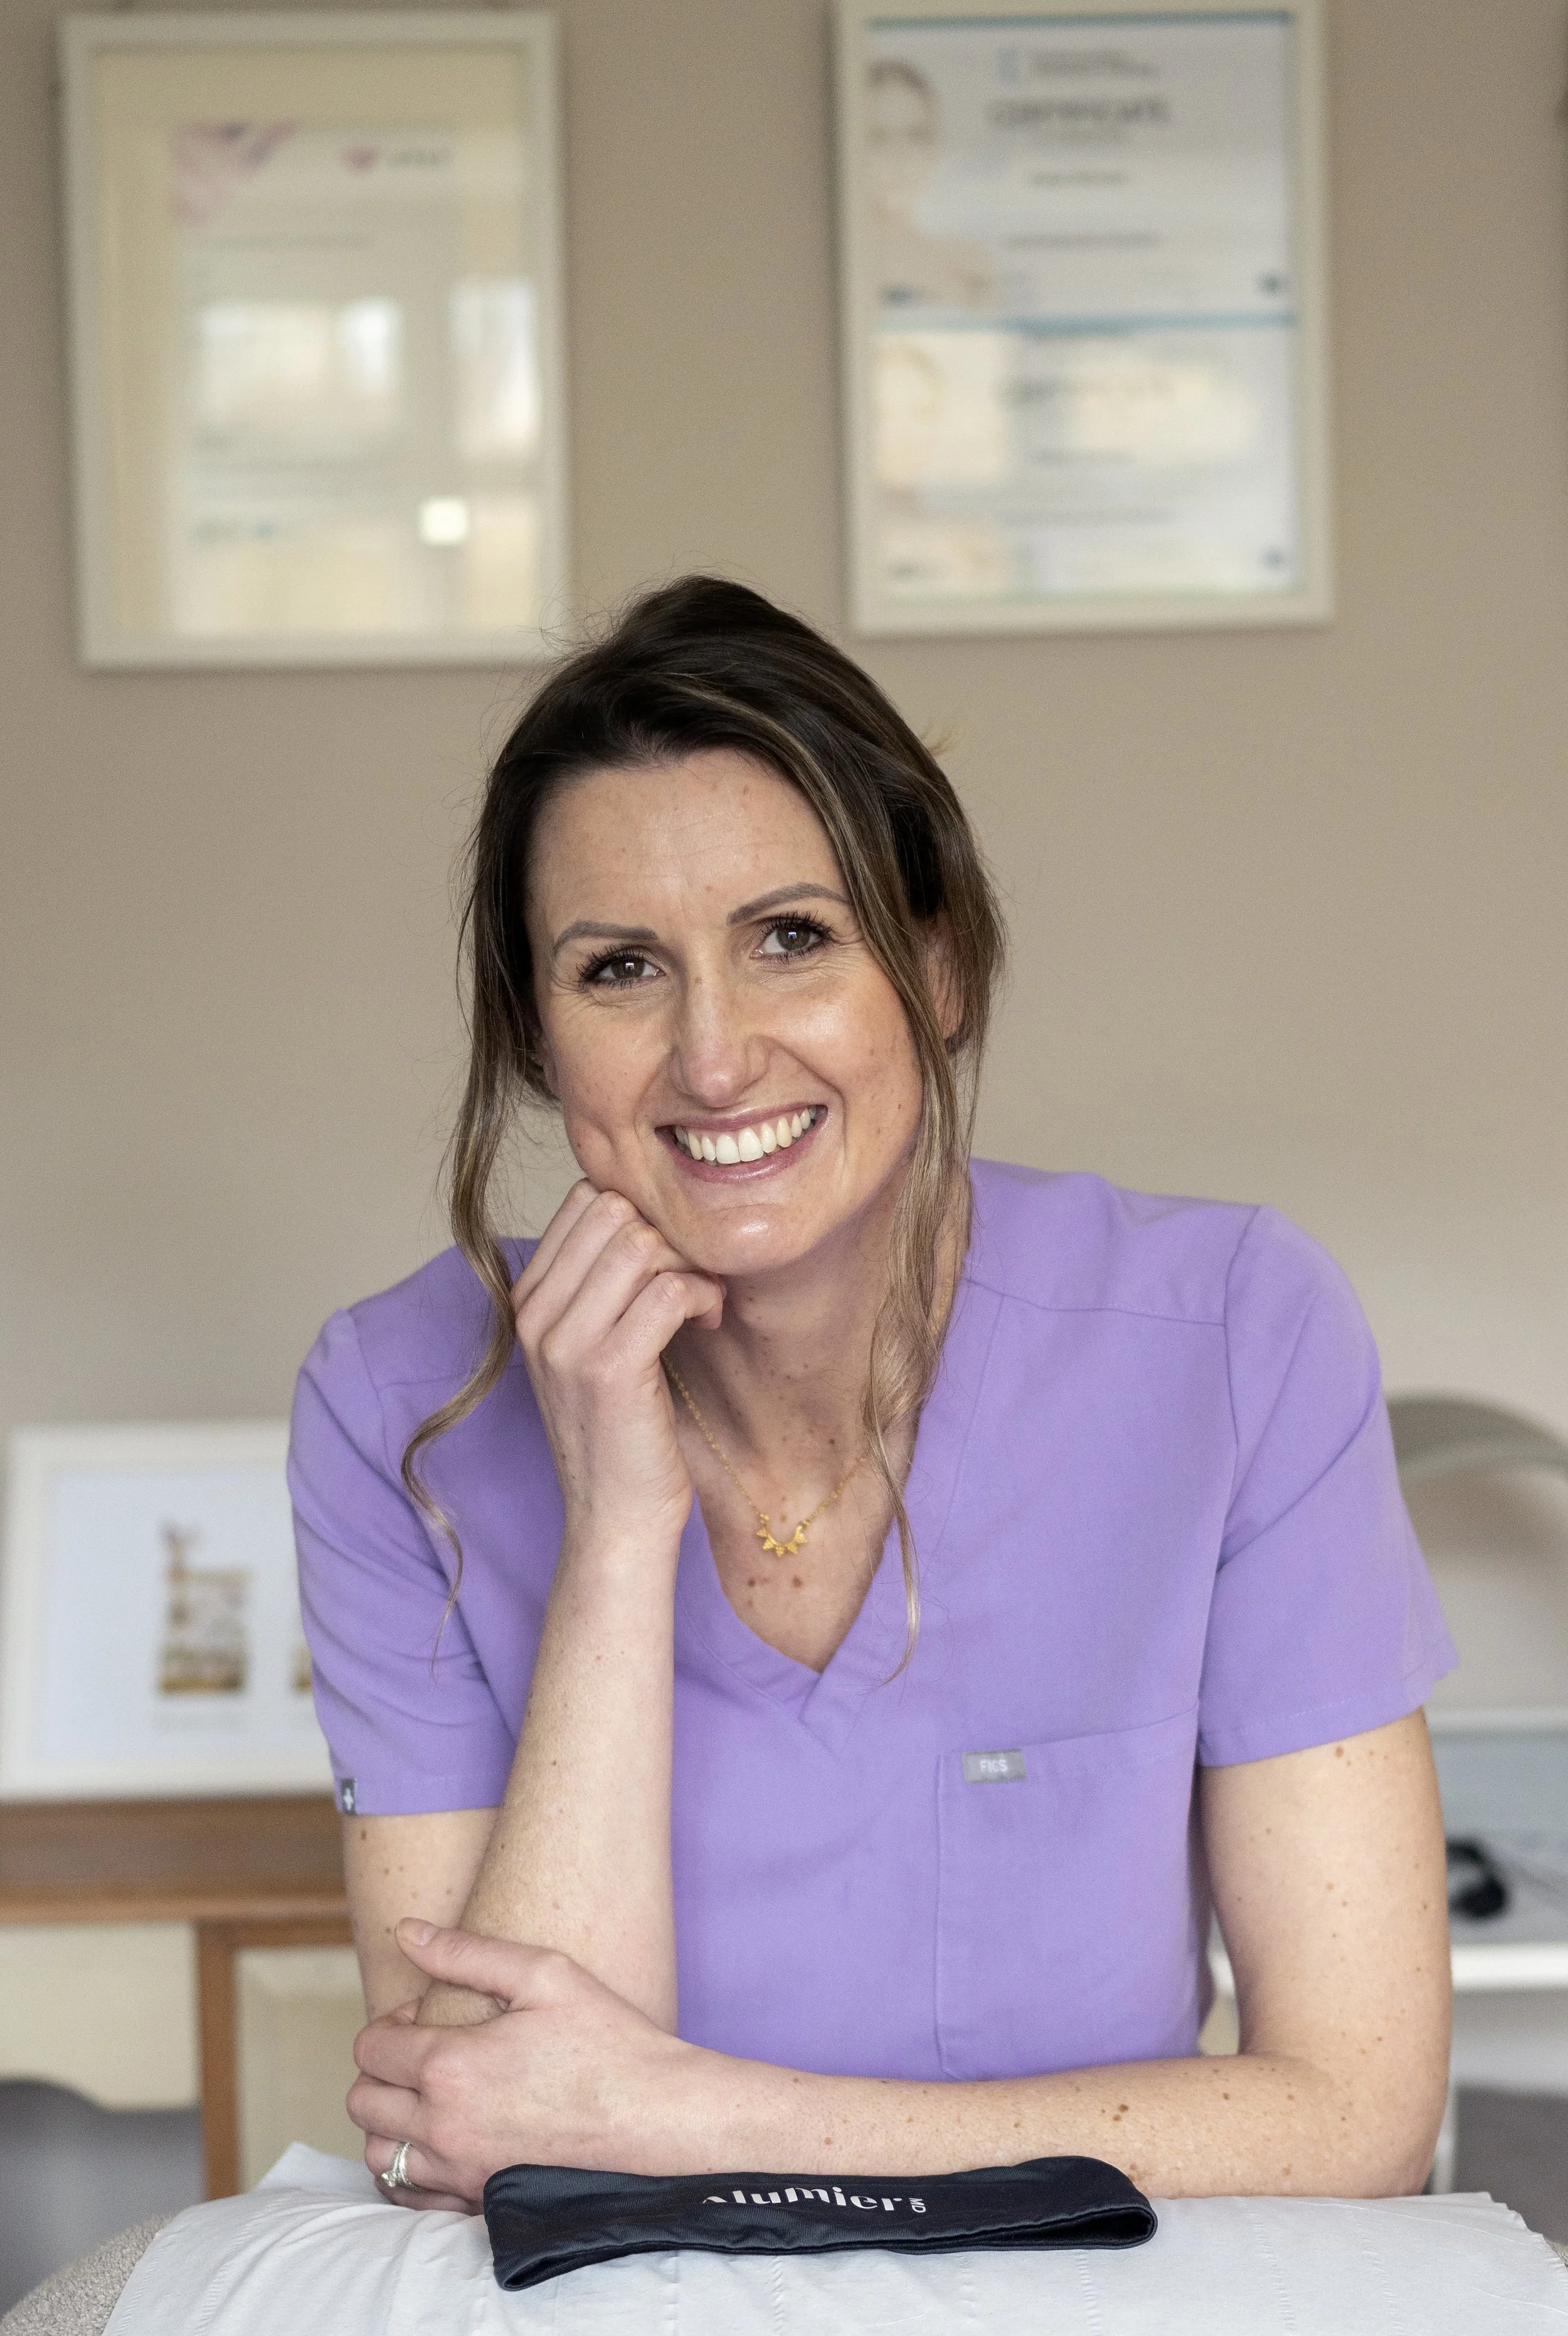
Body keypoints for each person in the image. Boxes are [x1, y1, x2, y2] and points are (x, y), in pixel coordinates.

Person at [287, 575, 1456, 2214]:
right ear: (540, 1043)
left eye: (790, 938)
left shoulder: (1234, 1338)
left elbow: (1354, 2115)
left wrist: (704, 2121)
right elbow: (494, 2151)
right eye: (620, 966)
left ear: (940, 961)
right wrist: (618, 1527)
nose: (712, 1055)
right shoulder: (396, 1405)